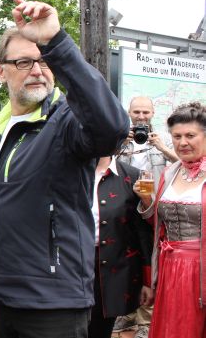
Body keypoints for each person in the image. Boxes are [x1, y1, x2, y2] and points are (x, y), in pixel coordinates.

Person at [0, 0, 130, 338]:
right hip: (3, 299)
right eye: (24, 62)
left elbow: (112, 128)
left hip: (54, 305)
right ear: (1, 70)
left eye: (44, 61)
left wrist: (57, 43)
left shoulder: (66, 119)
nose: (37, 70)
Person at [137, 101, 206, 338]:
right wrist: (147, 201)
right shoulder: (170, 172)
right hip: (170, 266)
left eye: (190, 135)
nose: (182, 142)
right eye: (176, 136)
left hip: (200, 268)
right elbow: (159, 225)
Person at [114, 96, 178, 338]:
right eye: (136, 112)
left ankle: (146, 320)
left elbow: (186, 164)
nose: (141, 117)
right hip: (123, 206)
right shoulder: (119, 139)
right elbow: (102, 164)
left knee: (150, 262)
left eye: (145, 112)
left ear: (153, 113)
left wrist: (162, 147)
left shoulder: (163, 140)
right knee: (124, 259)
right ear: (129, 113)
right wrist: (119, 143)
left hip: (153, 207)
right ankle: (127, 312)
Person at [88, 156, 153, 338]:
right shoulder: (70, 171)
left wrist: (148, 280)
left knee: (99, 328)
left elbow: (144, 230)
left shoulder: (135, 175)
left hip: (113, 268)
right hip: (71, 264)